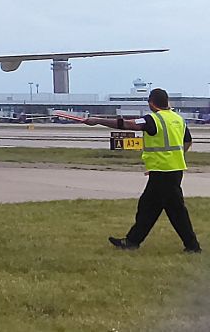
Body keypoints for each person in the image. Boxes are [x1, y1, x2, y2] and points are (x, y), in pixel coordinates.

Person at [84, 88, 200, 253]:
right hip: (170, 170)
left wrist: (97, 120)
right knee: (149, 207)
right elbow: (187, 141)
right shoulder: (178, 119)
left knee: (175, 211)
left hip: (163, 172)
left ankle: (192, 246)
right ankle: (132, 241)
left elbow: (127, 124)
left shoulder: (153, 119)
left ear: (151, 102)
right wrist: (174, 157)